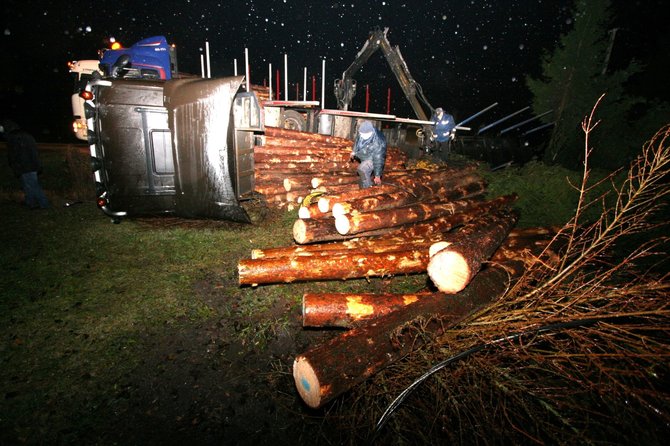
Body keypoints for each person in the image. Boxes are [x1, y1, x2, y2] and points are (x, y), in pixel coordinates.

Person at [2, 119, 50, 209]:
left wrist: (15, 165)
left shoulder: (13, 137)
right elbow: (33, 151)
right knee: (28, 185)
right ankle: (31, 203)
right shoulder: (25, 135)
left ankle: (43, 204)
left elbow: (14, 154)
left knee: (32, 185)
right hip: (32, 164)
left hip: (24, 165)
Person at [350, 120, 387, 189]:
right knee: (363, 174)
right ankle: (367, 183)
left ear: (371, 132)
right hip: (366, 155)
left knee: (362, 169)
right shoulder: (363, 133)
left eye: (363, 135)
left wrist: (377, 175)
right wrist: (354, 151)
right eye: (360, 134)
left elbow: (378, 160)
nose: (361, 136)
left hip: (372, 158)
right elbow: (357, 141)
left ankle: (368, 188)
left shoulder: (378, 143)